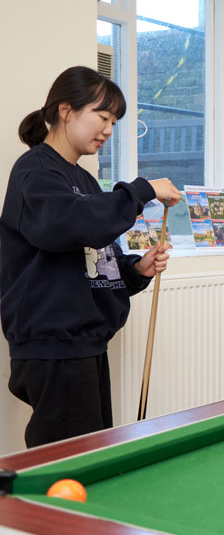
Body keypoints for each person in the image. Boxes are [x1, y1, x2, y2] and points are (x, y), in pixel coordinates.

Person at [0, 66, 182, 447]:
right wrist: (141, 190)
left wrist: (135, 269)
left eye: (114, 122)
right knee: (67, 466)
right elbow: (68, 225)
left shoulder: (82, 180)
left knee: (91, 454)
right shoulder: (34, 171)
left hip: (84, 344)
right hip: (54, 345)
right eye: (102, 116)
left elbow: (96, 254)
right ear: (66, 110)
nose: (108, 130)